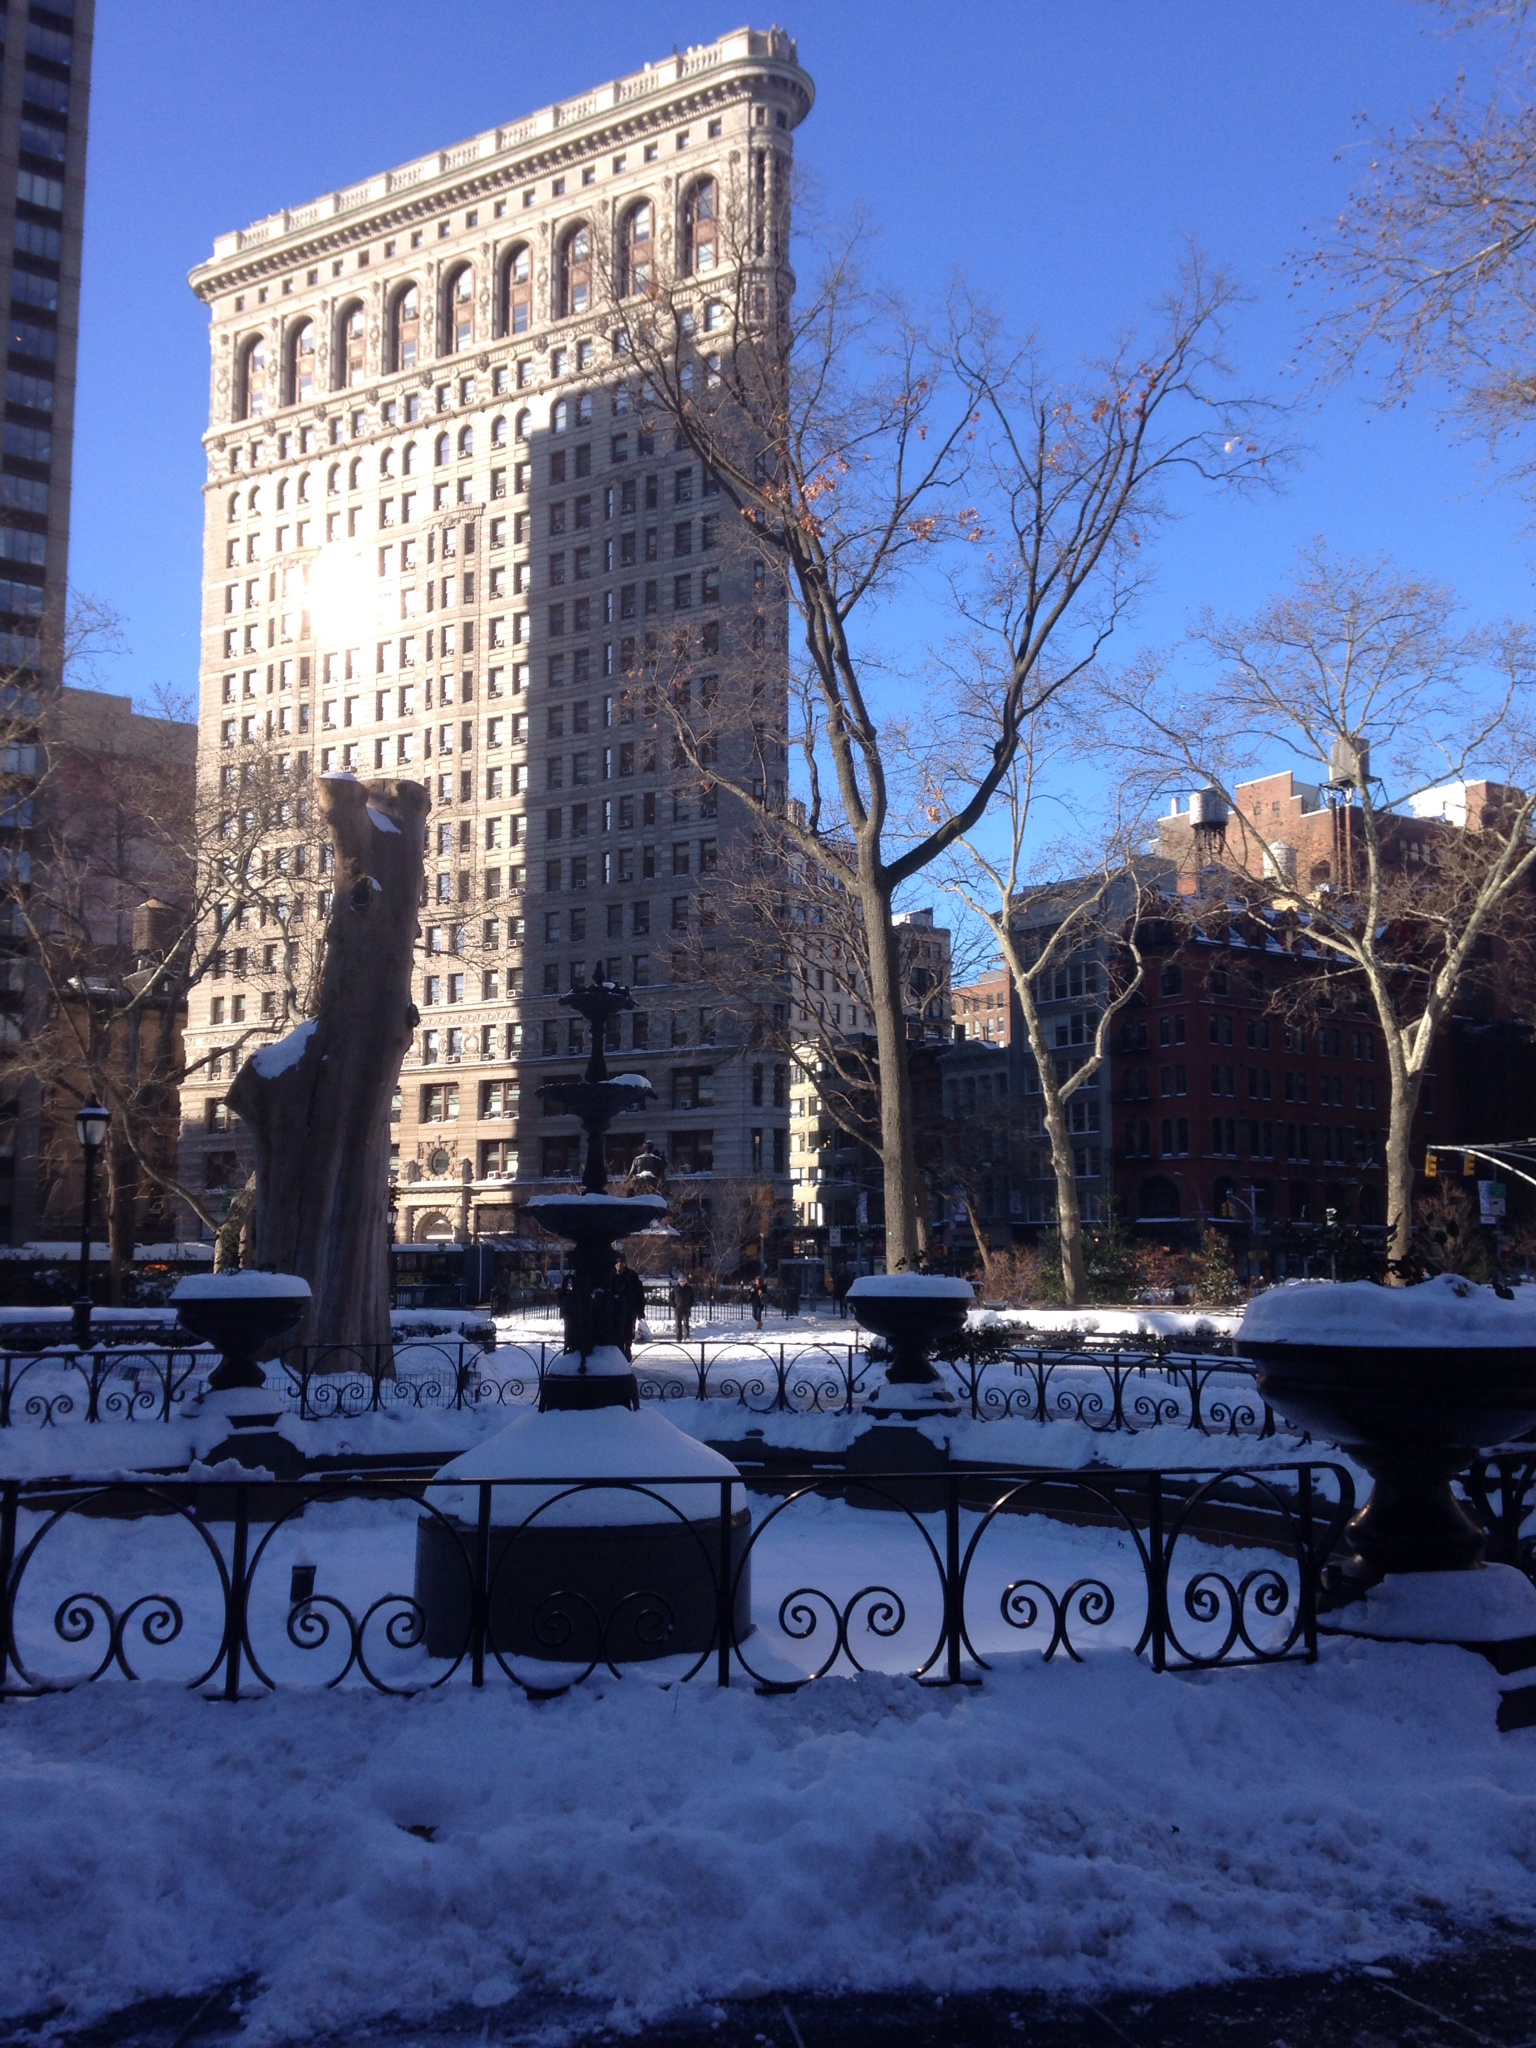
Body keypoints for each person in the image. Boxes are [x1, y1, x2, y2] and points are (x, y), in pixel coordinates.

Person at [613, 1254, 646, 1360]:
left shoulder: (632, 1275)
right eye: (617, 1263)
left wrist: (640, 1309)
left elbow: (639, 1293)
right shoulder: (612, 1275)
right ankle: (618, 1350)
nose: (619, 1266)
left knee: (628, 1330)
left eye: (621, 1263)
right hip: (615, 1309)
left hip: (630, 1308)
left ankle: (627, 1349)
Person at [673, 1274, 695, 1341]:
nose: (682, 1283)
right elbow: (671, 1297)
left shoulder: (689, 1289)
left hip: (686, 1309)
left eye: (683, 1281)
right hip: (678, 1309)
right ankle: (678, 1338)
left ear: (686, 1281)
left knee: (686, 1324)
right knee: (678, 1324)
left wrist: (690, 1305)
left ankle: (687, 1337)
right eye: (680, 1281)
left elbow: (692, 1298)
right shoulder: (675, 1289)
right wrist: (674, 1305)